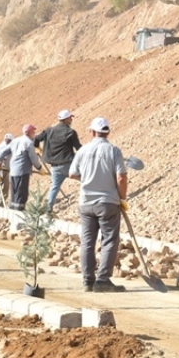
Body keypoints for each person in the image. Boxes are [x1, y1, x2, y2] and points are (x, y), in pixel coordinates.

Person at [69, 117, 128, 292]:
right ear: (107, 132)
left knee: (87, 241)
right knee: (109, 240)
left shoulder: (83, 150)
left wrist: (87, 180)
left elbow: (72, 174)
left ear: (92, 132)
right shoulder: (113, 151)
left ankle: (88, 280)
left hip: (86, 202)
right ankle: (102, 280)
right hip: (108, 202)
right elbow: (121, 177)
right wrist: (122, 198)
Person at [34, 109, 82, 214]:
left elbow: (36, 139)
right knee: (86, 179)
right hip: (68, 166)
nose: (71, 119)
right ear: (66, 120)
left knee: (55, 186)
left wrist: (37, 147)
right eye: (70, 118)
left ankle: (48, 209)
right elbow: (78, 148)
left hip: (55, 167)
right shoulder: (70, 132)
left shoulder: (48, 130)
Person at [7, 124, 42, 211]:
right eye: (33, 131)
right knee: (21, 193)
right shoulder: (28, 143)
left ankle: (12, 210)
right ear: (29, 132)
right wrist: (40, 168)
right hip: (22, 171)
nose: (34, 133)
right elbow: (33, 159)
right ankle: (19, 212)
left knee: (14, 193)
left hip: (13, 171)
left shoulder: (15, 140)